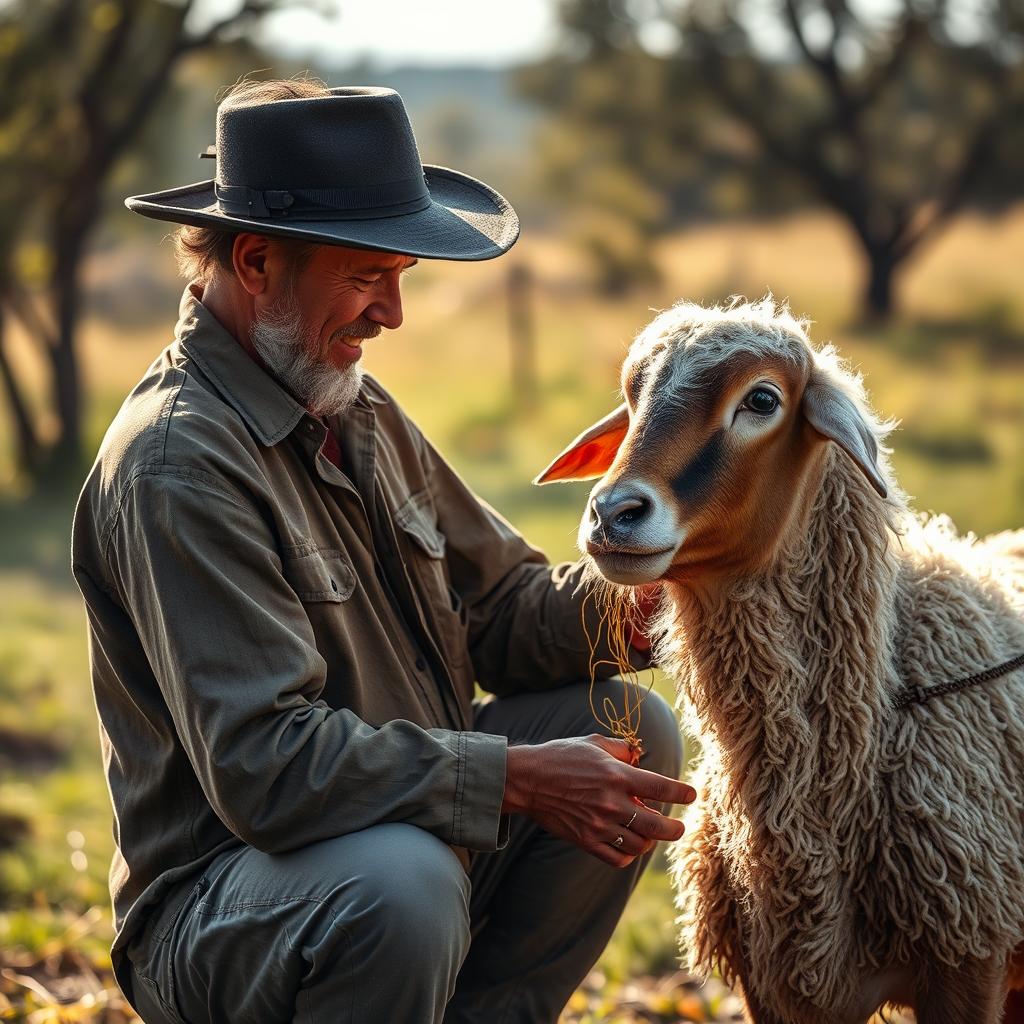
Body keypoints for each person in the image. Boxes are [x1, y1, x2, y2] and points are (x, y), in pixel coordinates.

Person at [70, 78, 691, 1024]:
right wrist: (518, 778)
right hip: (227, 907)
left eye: (401, 276)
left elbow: (503, 609)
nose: (392, 314)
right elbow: (267, 770)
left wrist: (671, 597)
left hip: (408, 846)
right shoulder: (177, 465)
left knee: (628, 727)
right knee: (400, 887)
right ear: (255, 261)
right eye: (367, 277)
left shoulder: (348, 403)